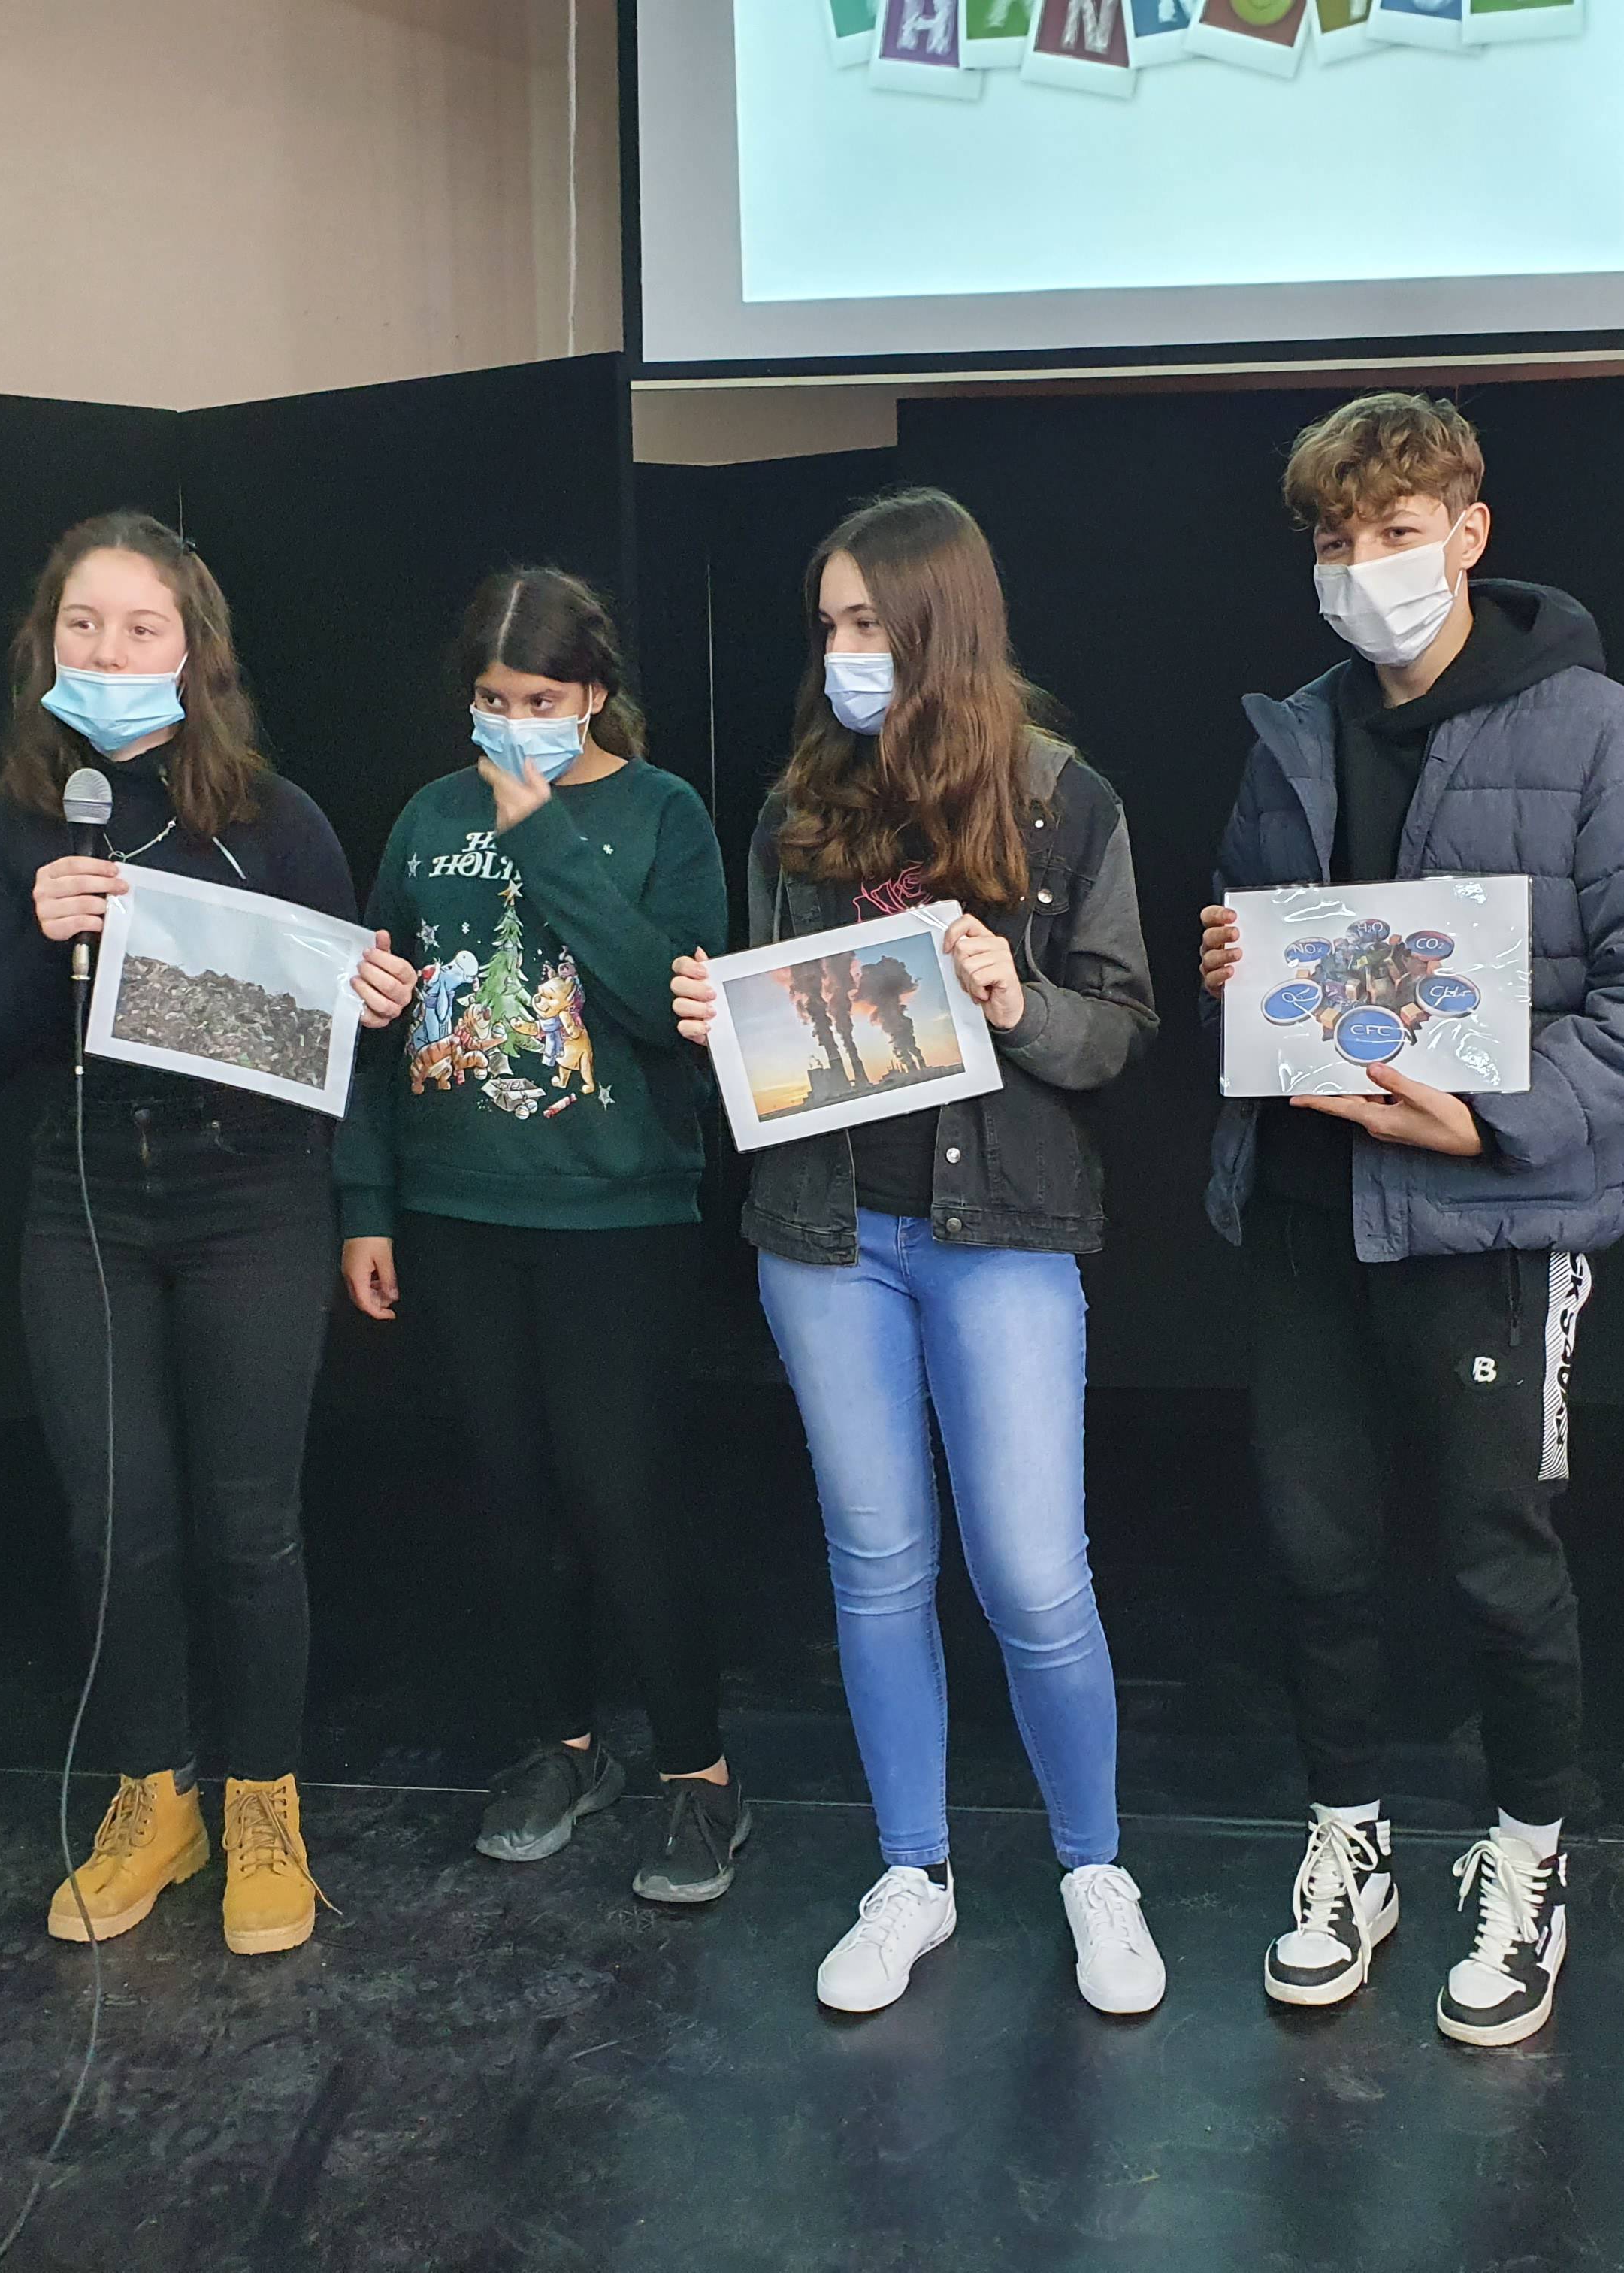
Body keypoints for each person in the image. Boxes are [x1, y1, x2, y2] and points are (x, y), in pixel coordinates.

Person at [1199, 394, 1624, 2046]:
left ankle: (1528, 1863)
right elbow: (1260, 934)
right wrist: (1234, 960)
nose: (1366, 567)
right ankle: (1347, 1844)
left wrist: (1489, 1115)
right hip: (1304, 1203)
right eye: (1337, 541)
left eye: (1397, 532)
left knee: (1501, 1565)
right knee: (1316, 1557)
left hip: (1488, 1224)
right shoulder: (1294, 731)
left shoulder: (1603, 734)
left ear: (1470, 534)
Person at [670, 489, 1166, 2017]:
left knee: (1034, 1572)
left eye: (868, 624)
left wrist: (1016, 1001)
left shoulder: (1063, 801)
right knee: (878, 1566)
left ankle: (1096, 1869)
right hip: (826, 1237)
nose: (842, 652)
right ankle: (912, 1873)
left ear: (941, 625)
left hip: (1002, 1232)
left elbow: (1120, 1031)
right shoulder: (795, 807)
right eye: (828, 626)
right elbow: (774, 1031)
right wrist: (718, 1023)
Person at [0, 510, 415, 1957]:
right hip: (84, 1197)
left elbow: (341, 1029)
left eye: (139, 627)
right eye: (83, 626)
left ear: (192, 650)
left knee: (250, 1524)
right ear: (46, 644)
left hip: (251, 1198)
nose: (108, 653)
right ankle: (154, 1798)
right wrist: (36, 937)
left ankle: (266, 1803)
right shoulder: (13, 820)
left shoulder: (280, 822)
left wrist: (371, 1003)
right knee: (115, 1521)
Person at [336, 567, 747, 1904]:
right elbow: (378, 1024)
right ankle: (561, 1746)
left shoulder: (664, 814)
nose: (513, 726)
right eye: (493, 700)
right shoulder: (426, 817)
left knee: (623, 1494)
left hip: (617, 1214)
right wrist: (365, 1203)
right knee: (511, 1497)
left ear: (596, 694)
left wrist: (546, 836)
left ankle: (699, 1773)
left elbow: (666, 1010)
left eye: (541, 701)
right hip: (460, 1209)